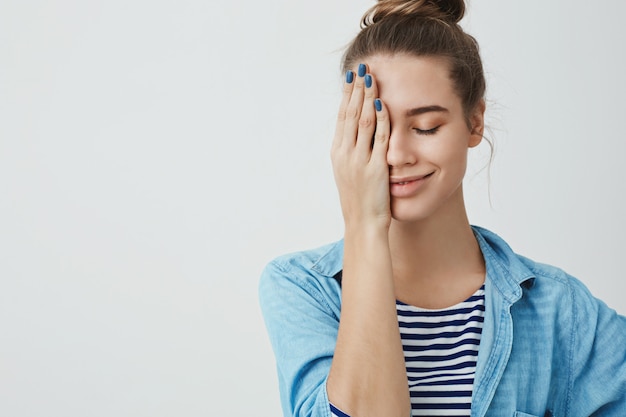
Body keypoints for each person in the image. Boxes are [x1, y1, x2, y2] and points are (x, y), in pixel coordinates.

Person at [258, 0, 626, 416]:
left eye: (425, 127)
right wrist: (363, 224)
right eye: (375, 128)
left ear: (474, 122)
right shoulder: (302, 289)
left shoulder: (562, 311)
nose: (396, 153)